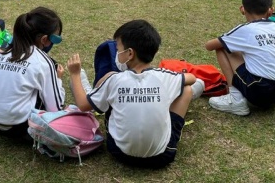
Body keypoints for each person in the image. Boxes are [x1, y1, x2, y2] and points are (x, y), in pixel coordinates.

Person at [68, 20, 203, 169]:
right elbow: (192, 78)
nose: (117, 52)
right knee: (187, 89)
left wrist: (75, 74)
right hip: (163, 157)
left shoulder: (114, 79)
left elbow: (83, 105)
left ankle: (94, 93)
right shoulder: (164, 76)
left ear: (130, 53)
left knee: (109, 86)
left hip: (119, 152)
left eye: (118, 48)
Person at [205, 0, 275, 116]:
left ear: (242, 9)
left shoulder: (245, 30)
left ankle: (235, 99)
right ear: (271, 11)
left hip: (261, 90)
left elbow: (209, 46)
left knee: (222, 47)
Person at [0, 7, 65, 140]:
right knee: (42, 91)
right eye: (55, 39)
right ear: (44, 39)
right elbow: (55, 108)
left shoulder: (2, 55)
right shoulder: (43, 62)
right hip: (19, 128)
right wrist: (58, 79)